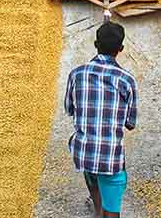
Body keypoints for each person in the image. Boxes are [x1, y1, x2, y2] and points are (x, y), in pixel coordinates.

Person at [65, 22, 138, 218]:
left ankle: (98, 210)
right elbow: (130, 123)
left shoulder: (76, 74)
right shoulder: (126, 80)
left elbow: (69, 109)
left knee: (91, 167)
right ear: (120, 49)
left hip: (84, 152)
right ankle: (105, 212)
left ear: (96, 44)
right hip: (110, 158)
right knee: (112, 203)